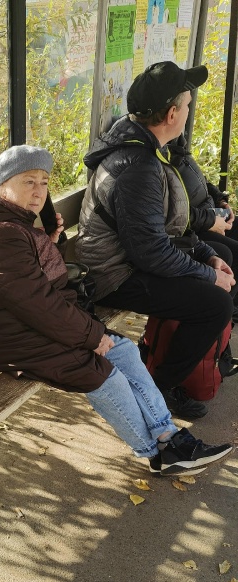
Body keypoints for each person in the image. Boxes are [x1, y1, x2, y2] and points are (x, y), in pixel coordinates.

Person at [0, 144, 232, 476]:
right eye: (28, 182)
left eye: (43, 182)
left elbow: (33, 285)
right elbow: (39, 304)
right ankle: (156, 453)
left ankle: (168, 436)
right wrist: (92, 336)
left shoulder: (9, 223)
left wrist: (50, 243)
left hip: (32, 324)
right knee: (105, 374)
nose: (39, 191)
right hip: (16, 338)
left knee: (124, 351)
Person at [75, 61, 235, 419]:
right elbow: (151, 252)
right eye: (188, 105)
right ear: (172, 114)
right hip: (112, 275)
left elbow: (169, 227)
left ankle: (164, 362)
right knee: (214, 304)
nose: (189, 112)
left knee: (219, 266)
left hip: (130, 259)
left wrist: (207, 256)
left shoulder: (146, 148)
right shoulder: (139, 165)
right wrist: (209, 275)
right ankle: (158, 389)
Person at [167, 132, 238, 321]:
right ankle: (227, 311)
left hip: (209, 213)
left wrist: (221, 200)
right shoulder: (156, 157)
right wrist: (211, 222)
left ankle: (228, 309)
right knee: (229, 252)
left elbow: (202, 181)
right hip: (194, 225)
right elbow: (173, 213)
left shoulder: (176, 145)